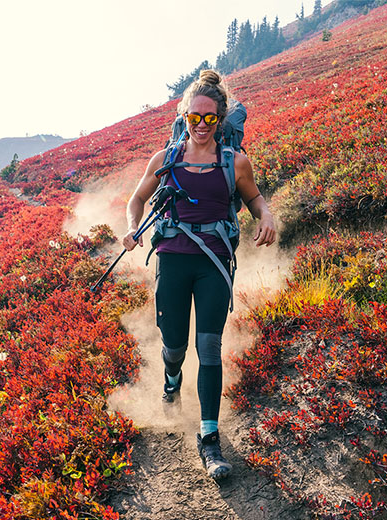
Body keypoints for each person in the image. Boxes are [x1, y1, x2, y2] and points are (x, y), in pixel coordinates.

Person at [122, 69, 276, 479]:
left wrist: (267, 216)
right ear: (184, 117)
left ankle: (209, 440)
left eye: (210, 118)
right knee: (175, 347)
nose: (202, 125)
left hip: (213, 264)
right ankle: (171, 378)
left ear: (221, 118)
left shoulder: (235, 162)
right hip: (172, 260)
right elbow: (136, 200)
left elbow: (256, 199)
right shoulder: (165, 159)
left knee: (208, 347)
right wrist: (132, 227)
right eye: (195, 117)